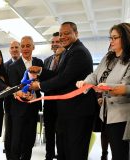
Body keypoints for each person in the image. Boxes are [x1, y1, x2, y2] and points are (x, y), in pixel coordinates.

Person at [29, 22, 97, 160]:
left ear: (76, 34)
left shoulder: (78, 52)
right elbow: (59, 75)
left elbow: (64, 79)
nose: (63, 36)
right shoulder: (69, 51)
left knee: (75, 151)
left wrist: (40, 85)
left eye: (67, 33)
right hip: (68, 111)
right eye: (61, 34)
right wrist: (41, 71)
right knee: (65, 150)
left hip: (77, 111)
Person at [76, 23, 130, 160]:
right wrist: (85, 83)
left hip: (122, 116)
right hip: (106, 114)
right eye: (110, 37)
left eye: (115, 38)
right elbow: (95, 75)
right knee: (113, 151)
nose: (111, 41)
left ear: (126, 38)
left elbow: (126, 87)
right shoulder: (108, 57)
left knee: (120, 154)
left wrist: (108, 87)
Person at [8, 36, 43, 160]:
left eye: (28, 46)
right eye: (23, 46)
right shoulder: (13, 66)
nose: (25, 48)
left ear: (33, 47)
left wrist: (37, 87)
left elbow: (43, 82)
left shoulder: (39, 63)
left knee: (29, 141)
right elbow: (13, 87)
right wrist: (20, 93)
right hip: (18, 109)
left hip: (33, 108)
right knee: (16, 142)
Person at [43, 32, 65, 160]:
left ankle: (61, 155)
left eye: (57, 41)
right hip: (48, 102)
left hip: (62, 102)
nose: (55, 44)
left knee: (61, 132)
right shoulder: (47, 61)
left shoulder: (66, 58)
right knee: (49, 132)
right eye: (52, 42)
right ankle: (49, 155)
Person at [3, 40, 20, 160]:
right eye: (12, 47)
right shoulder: (5, 66)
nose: (14, 49)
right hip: (10, 105)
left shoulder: (26, 64)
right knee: (9, 134)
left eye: (16, 47)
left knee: (21, 135)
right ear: (9, 50)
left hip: (25, 104)